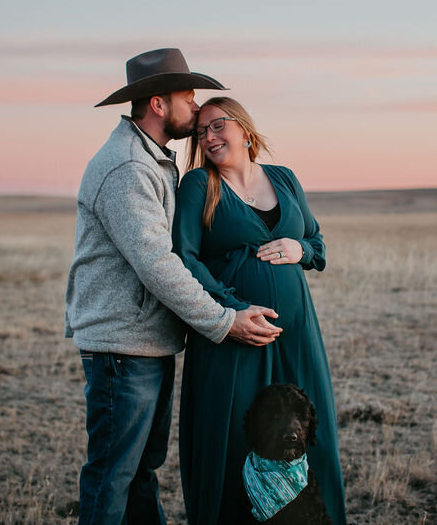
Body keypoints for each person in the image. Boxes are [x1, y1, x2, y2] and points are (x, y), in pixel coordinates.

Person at [64, 49, 283, 525]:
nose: (195, 105)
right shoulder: (128, 167)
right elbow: (157, 265)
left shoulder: (152, 159)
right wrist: (224, 323)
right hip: (122, 351)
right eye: (188, 96)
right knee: (111, 477)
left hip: (145, 345)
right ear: (159, 104)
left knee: (140, 473)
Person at [172, 97, 347, 524]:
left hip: (296, 332)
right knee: (233, 436)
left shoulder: (284, 179)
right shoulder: (199, 185)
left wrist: (299, 247)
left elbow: (318, 245)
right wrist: (233, 307)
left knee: (310, 433)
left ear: (245, 130)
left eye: (217, 126)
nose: (209, 138)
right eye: (201, 133)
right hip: (235, 335)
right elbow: (185, 256)